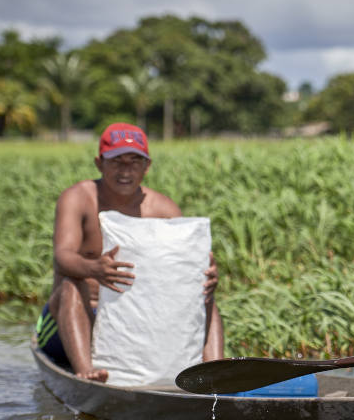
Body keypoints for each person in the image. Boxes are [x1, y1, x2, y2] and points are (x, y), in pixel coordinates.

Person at [34, 123, 224, 381]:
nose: (126, 171)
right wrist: (94, 269)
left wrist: (207, 275)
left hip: (134, 328)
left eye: (135, 162)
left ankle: (217, 375)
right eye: (117, 162)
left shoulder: (163, 208)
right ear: (99, 164)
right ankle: (86, 372)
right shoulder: (78, 198)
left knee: (204, 293)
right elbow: (63, 257)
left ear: (147, 166)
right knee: (71, 285)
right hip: (74, 324)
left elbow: (186, 267)